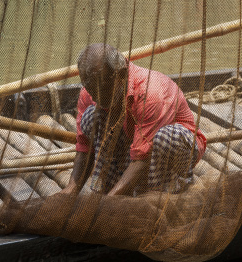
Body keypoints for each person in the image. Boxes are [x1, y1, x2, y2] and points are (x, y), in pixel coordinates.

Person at [61, 43, 206, 197]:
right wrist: (70, 190)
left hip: (174, 150)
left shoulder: (151, 92)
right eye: (89, 88)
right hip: (134, 145)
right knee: (92, 116)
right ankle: (107, 187)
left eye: (102, 88)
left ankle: (160, 192)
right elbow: (84, 146)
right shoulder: (89, 91)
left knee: (166, 137)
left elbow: (143, 155)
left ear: (121, 74)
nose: (95, 96)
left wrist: (107, 203)